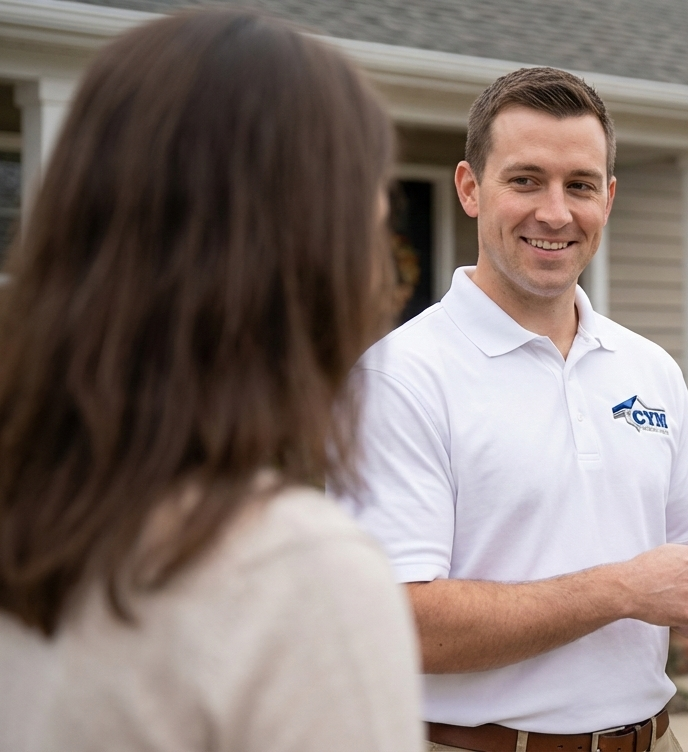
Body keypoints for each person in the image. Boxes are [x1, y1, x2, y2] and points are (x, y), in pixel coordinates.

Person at [342, 66, 688, 752]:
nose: (555, 212)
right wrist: (619, 590)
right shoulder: (401, 377)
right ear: (470, 189)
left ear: (608, 198)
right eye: (525, 180)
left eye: (580, 185)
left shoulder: (650, 370)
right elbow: (399, 625)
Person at [0, 11, 422, 752]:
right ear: (305, 265)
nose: (380, 275)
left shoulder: (33, 516)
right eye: (372, 225)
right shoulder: (295, 574)